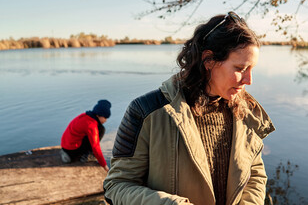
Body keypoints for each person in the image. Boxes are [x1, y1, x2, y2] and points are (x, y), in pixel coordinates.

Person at [103, 11, 275, 205]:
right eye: (240, 69)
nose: (249, 80)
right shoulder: (145, 111)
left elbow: (256, 176)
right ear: (209, 60)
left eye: (252, 69)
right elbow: (116, 186)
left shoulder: (247, 113)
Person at [60, 99, 111, 172]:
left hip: (66, 146)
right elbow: (96, 146)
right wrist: (104, 165)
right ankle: (85, 156)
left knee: (99, 129)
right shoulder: (91, 125)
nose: (106, 120)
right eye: (105, 118)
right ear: (98, 115)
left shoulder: (85, 116)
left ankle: (69, 153)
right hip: (72, 151)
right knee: (101, 130)